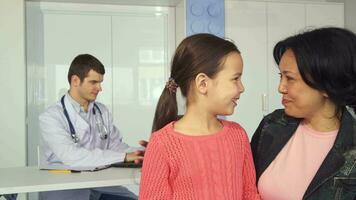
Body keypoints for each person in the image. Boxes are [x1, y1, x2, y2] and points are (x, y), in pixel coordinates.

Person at [139, 33, 260, 199]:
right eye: (235, 79)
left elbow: (249, 194)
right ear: (203, 83)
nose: (242, 87)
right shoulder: (162, 144)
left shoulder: (238, 135)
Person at [251, 27, 356, 200]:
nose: (280, 88)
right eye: (280, 76)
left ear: (326, 85)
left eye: (290, 78)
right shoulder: (272, 125)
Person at [39, 54, 146, 200]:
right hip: (67, 190)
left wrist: (144, 153)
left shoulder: (102, 111)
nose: (99, 88)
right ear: (75, 80)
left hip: (100, 185)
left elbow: (116, 146)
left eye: (100, 82)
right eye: (94, 82)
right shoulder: (51, 117)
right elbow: (73, 157)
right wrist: (125, 156)